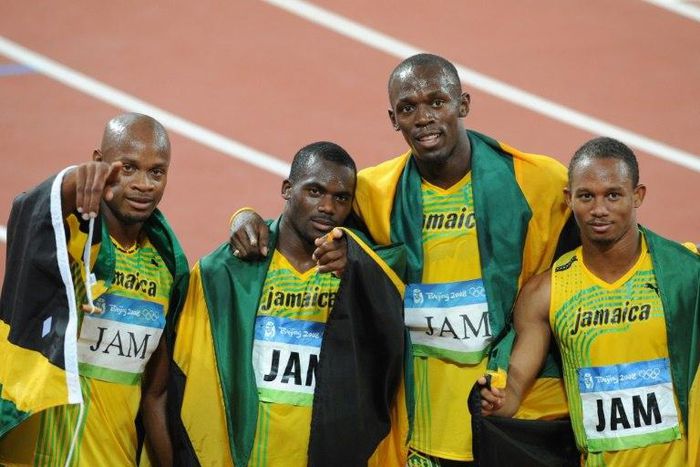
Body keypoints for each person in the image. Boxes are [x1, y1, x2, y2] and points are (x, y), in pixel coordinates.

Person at [229, 54, 577, 465]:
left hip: (511, 416)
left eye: (437, 102)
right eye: (408, 108)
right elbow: (309, 217)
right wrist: (247, 219)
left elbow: (594, 251)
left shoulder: (539, 181)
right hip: (420, 433)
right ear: (394, 119)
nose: (424, 117)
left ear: (462, 105)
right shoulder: (376, 191)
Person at [170, 142, 406, 466]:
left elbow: (397, 306)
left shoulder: (359, 268)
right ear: (287, 189)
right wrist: (242, 217)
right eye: (314, 191)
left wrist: (359, 264)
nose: (327, 207)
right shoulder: (235, 267)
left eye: (341, 198)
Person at [479, 137, 699, 466]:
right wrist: (497, 399)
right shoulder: (547, 293)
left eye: (613, 195)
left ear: (637, 196)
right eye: (586, 196)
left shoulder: (684, 274)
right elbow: (514, 391)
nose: (599, 209)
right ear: (569, 200)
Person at [0, 113, 189, 466]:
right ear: (100, 162)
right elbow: (32, 214)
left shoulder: (165, 265)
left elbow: (155, 395)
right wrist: (72, 180)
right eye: (128, 167)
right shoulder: (71, 239)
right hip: (37, 458)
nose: (144, 184)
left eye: (156, 171)